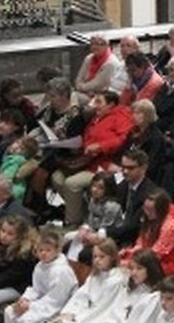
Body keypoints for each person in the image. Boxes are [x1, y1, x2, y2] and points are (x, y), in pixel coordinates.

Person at [52, 90, 134, 225]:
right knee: (57, 178)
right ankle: (81, 213)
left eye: (99, 102)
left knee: (72, 184)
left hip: (104, 164)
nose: (95, 105)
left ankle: (72, 221)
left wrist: (101, 146)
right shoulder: (96, 117)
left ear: (111, 104)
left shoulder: (121, 117)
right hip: (85, 161)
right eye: (95, 101)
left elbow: (123, 139)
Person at [3, 227, 78, 323]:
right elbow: (36, 289)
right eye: (40, 250)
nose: (43, 254)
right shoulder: (40, 265)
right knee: (10, 311)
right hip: (42, 302)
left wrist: (30, 306)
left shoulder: (61, 271)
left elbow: (56, 300)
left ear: (57, 250)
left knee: (26, 321)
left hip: (59, 307)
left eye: (48, 250)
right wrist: (25, 299)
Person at [119, 189, 174, 276]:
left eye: (151, 210)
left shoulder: (173, 227)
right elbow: (141, 245)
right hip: (149, 261)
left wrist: (128, 263)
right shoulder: (152, 221)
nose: (147, 213)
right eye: (146, 209)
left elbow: (155, 256)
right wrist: (128, 252)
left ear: (161, 209)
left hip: (166, 268)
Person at [74, 33, 120, 103]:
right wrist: (79, 87)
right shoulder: (89, 58)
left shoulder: (111, 63)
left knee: (73, 97)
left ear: (106, 46)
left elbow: (97, 85)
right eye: (92, 44)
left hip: (101, 97)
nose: (94, 47)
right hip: (85, 92)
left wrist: (80, 88)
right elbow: (79, 78)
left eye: (98, 44)